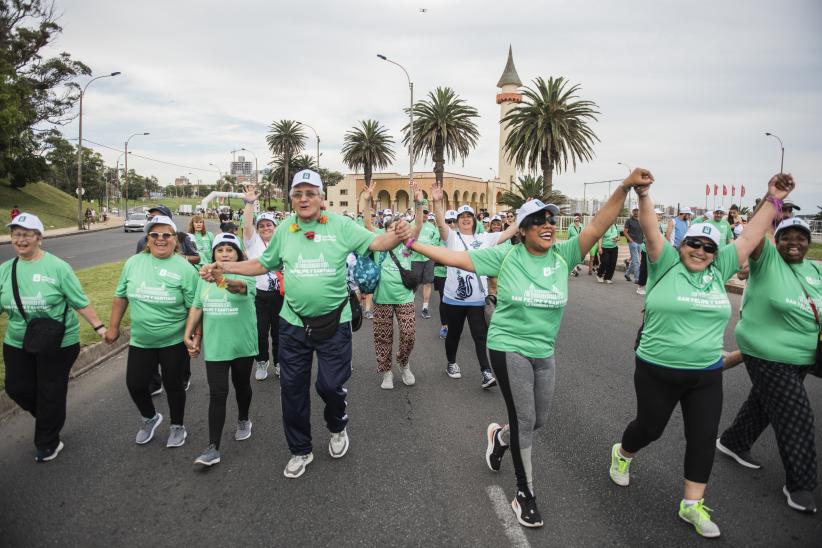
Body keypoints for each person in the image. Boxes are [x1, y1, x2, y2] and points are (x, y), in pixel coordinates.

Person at [409, 169, 654, 528]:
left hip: (544, 351)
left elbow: (598, 226)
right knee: (525, 418)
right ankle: (524, 493)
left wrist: (623, 188)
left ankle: (499, 437)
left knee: (538, 420)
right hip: (507, 346)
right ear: (521, 229)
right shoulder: (505, 257)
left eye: (550, 219)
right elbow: (452, 259)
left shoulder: (563, 255)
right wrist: (410, 243)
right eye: (537, 220)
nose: (547, 224)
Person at [608, 173, 794, 538]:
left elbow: (753, 234)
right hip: (656, 368)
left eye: (708, 247)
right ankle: (623, 453)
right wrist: (644, 194)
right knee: (650, 428)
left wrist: (772, 198)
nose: (700, 251)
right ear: (681, 245)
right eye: (693, 243)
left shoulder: (720, 268)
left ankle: (691, 504)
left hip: (706, 373)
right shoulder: (664, 263)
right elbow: (649, 227)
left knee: (702, 435)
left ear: (716, 252)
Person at [200, 169, 412, 479]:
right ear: (291, 199)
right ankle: (300, 449)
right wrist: (226, 266)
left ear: (321, 197)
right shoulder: (286, 228)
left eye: (310, 192)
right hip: (293, 324)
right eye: (298, 193)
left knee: (329, 385)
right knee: (292, 389)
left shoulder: (341, 225)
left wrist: (401, 232)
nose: (303, 198)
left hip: (335, 324)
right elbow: (263, 263)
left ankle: (337, 426)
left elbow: (378, 242)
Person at [718, 213, 819, 514]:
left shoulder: (815, 269)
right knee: (796, 414)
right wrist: (772, 197)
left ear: (808, 243)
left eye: (801, 237)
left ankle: (734, 442)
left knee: (764, 402)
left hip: (805, 357)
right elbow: (753, 233)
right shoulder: (768, 261)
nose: (794, 242)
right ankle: (799, 485)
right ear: (777, 240)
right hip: (767, 355)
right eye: (787, 236)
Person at [0, 213, 107, 462]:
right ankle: (50, 416)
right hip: (18, 339)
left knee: (50, 390)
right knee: (17, 388)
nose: (20, 239)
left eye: (26, 234)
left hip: (59, 340)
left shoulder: (58, 267)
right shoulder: (5, 270)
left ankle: (48, 442)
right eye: (16, 234)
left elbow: (79, 301)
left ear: (39, 238)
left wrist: (99, 327)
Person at [107, 215, 199, 448]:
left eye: (166, 235)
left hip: (173, 340)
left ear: (175, 239)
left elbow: (194, 307)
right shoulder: (134, 263)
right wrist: (113, 326)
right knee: (135, 384)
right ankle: (150, 417)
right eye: (154, 235)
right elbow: (120, 296)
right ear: (147, 239)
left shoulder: (184, 268)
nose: (160, 239)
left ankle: (177, 425)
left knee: (173, 385)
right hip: (141, 339)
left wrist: (194, 336)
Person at [430, 182, 519, 389]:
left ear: (474, 219)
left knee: (480, 335)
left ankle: (486, 372)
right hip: (453, 298)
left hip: (477, 299)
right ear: (458, 221)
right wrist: (437, 202)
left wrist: (524, 212)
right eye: (462, 217)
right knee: (454, 334)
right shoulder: (451, 237)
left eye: (469, 216)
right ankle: (451, 363)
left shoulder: (484, 238)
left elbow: (508, 233)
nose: (466, 219)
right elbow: (441, 224)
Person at [184, 233, 257, 467]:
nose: (224, 253)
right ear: (213, 254)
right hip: (215, 346)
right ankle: (212, 446)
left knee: (242, 386)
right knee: (218, 393)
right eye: (220, 250)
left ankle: (244, 418)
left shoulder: (247, 273)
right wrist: (189, 334)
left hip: (242, 345)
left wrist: (220, 278)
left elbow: (239, 289)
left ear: (238, 254)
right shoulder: (202, 278)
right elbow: (197, 306)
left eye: (230, 249)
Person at [362, 182, 425, 389]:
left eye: (397, 229)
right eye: (391, 229)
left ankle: (403, 362)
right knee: (383, 338)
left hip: (404, 297)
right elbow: (367, 225)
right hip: (381, 299)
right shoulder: (379, 244)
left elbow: (418, 226)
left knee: (409, 335)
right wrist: (368, 200)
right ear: (385, 231)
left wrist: (418, 203)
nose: (394, 233)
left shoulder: (407, 246)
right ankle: (386, 372)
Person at [135, 205, 196, 396]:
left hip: (178, 296)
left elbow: (197, 256)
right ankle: (154, 382)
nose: (153, 219)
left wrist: (178, 260)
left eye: (158, 216)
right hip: (150, 300)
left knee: (181, 343)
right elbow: (139, 263)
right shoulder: (142, 241)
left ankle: (182, 375)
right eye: (150, 217)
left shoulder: (184, 238)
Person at [240, 187, 283, 381]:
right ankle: (262, 361)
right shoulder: (253, 242)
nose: (266, 228)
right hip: (258, 295)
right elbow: (247, 226)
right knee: (260, 331)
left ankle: (280, 362)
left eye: (269, 225)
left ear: (275, 226)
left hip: (281, 295)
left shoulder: (282, 242)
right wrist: (249, 204)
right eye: (262, 226)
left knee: (280, 331)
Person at [410, 207, 440, 320]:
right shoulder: (411, 224)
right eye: (423, 212)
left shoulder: (432, 227)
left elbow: (436, 239)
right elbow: (407, 241)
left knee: (427, 283)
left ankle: (425, 307)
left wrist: (429, 247)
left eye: (426, 213)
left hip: (428, 259)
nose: (425, 215)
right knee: (414, 284)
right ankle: (409, 305)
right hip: (414, 259)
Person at [434, 210, 458, 339]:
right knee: (444, 299)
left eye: (455, 221)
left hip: (457, 274)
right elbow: (433, 251)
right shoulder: (439, 235)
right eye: (449, 221)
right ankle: (445, 326)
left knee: (455, 301)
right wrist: (444, 260)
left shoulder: (462, 236)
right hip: (442, 273)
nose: (452, 224)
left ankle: (454, 325)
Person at [624, 208, 643, 282]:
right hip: (633, 243)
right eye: (634, 211)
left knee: (635, 260)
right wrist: (631, 240)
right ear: (632, 212)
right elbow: (625, 232)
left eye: (637, 210)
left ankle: (627, 274)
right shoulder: (629, 221)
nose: (636, 212)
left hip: (640, 242)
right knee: (636, 261)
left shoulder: (641, 220)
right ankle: (637, 278)